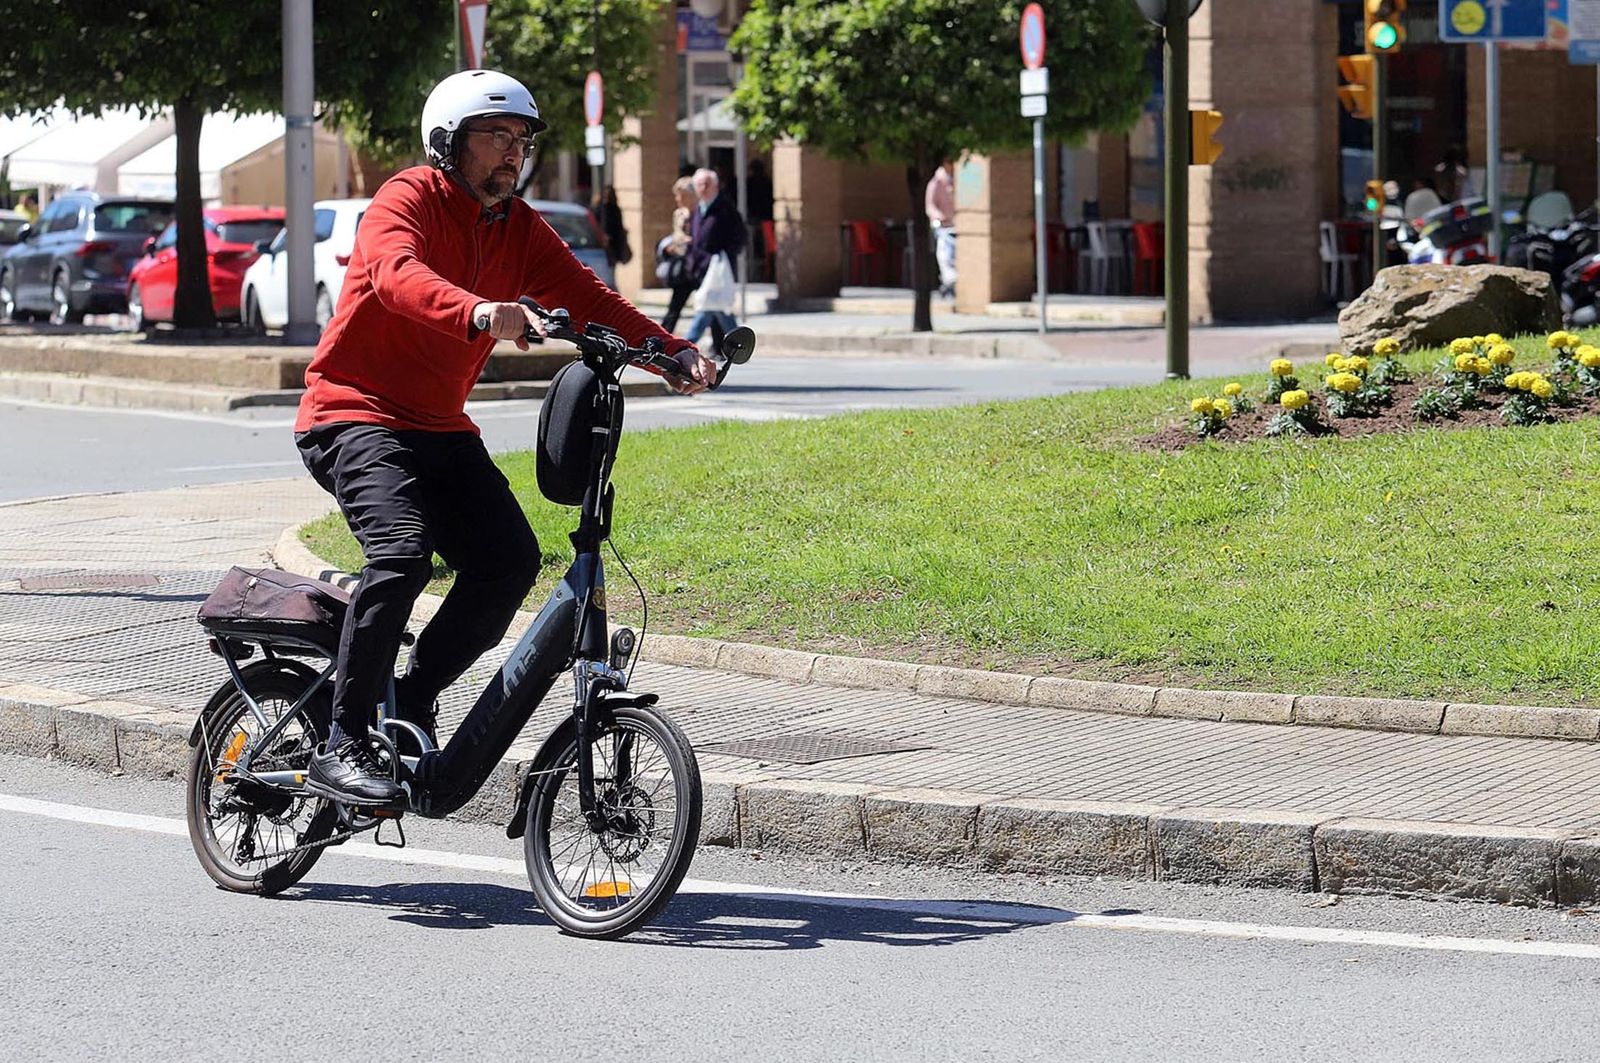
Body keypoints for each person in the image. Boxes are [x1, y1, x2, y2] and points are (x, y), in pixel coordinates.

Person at [293, 69, 715, 805]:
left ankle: (411, 696)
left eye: (521, 140)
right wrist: (479, 311)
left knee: (509, 560)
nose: (513, 153)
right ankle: (342, 741)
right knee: (401, 553)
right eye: (495, 137)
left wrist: (671, 352)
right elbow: (395, 274)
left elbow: (587, 296)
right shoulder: (407, 198)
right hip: (353, 413)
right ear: (448, 143)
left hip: (438, 426)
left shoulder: (516, 227)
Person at [683, 167, 746, 346]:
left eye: (707, 184)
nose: (703, 188)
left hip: (718, 270)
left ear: (716, 186)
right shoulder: (698, 209)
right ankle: (732, 345)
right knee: (718, 309)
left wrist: (724, 256)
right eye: (699, 185)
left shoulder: (725, 209)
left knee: (708, 309)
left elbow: (740, 237)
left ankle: (687, 345)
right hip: (701, 269)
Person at [658, 176, 697, 332]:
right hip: (682, 265)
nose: (678, 199)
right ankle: (663, 335)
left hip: (698, 264)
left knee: (709, 306)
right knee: (675, 307)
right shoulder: (679, 214)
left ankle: (719, 340)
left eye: (682, 195)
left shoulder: (700, 213)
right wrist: (671, 247)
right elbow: (676, 236)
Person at [925, 156, 956, 297]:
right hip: (943, 225)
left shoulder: (957, 180)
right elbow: (930, 206)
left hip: (956, 225)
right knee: (945, 252)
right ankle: (949, 279)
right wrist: (940, 216)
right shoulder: (936, 182)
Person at [596, 184, 631, 268]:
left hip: (612, 241)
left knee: (610, 264)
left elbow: (618, 225)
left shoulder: (613, 209)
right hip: (605, 242)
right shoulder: (602, 208)